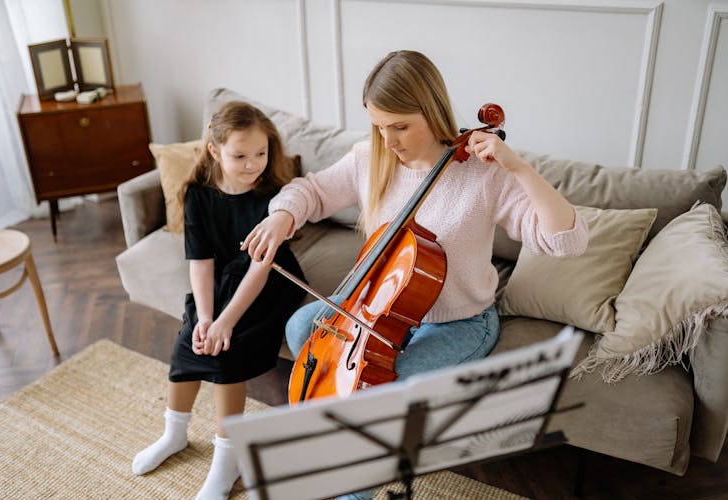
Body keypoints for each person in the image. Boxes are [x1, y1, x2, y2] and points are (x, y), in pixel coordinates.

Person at [242, 50, 588, 499]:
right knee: (301, 326)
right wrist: (281, 217)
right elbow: (310, 191)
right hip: (377, 312)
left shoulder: (485, 174)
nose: (389, 141)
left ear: (431, 110)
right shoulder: (371, 158)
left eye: (400, 126)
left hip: (458, 323)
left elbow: (568, 241)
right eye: (378, 127)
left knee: (374, 398)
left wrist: (518, 167)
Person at [132, 101, 306, 500]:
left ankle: (226, 462)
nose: (253, 164)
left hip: (270, 281)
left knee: (227, 350)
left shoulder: (273, 197)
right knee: (190, 337)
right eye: (240, 156)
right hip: (224, 277)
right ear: (215, 150)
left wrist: (226, 322)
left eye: (260, 154)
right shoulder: (197, 195)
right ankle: (174, 434)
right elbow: (200, 264)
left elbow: (260, 269)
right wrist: (207, 317)